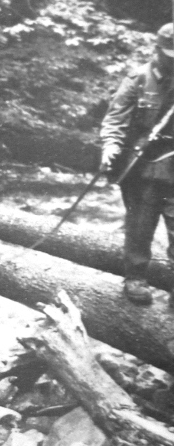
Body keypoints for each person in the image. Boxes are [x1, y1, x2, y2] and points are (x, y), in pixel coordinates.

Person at [100, 22, 174, 305]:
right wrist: (111, 147)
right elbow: (115, 120)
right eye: (170, 55)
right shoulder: (138, 79)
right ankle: (136, 279)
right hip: (144, 168)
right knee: (140, 227)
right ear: (157, 50)